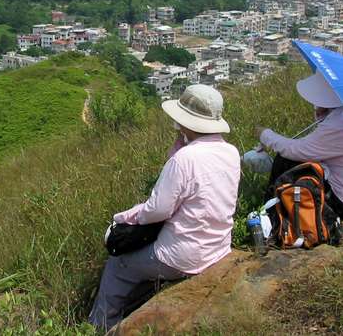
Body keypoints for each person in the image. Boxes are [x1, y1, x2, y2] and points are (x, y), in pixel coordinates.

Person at [89, 85, 241, 331]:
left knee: (118, 264)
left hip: (182, 256)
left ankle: (100, 326)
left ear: (186, 122)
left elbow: (158, 210)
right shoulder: (230, 152)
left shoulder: (184, 159)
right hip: (218, 246)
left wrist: (125, 216)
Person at [256, 71, 343, 218]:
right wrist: (324, 112)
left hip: (339, 199)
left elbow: (296, 150)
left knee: (285, 161)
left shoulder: (338, 123)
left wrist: (264, 134)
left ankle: (272, 214)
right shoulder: (339, 116)